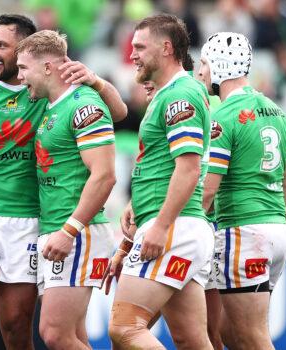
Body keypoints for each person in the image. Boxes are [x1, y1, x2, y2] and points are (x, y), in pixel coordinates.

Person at [0, 14, 127, 350]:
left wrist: (97, 81)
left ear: (26, 53)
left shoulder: (50, 96)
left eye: (2, 45)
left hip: (33, 222)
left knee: (21, 326)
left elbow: (116, 114)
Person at [109, 14, 214, 349]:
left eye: (140, 47)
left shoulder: (179, 96)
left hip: (173, 228)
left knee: (124, 329)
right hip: (178, 226)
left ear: (167, 48)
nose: (133, 54)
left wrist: (159, 226)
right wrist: (136, 207)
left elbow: (188, 168)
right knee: (191, 339)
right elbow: (162, 165)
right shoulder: (170, 94)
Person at [15, 29, 116, 349]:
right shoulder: (52, 107)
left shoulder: (83, 104)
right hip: (58, 229)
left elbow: (105, 175)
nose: (19, 78)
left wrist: (69, 230)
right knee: (73, 336)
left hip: (77, 233)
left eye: (23, 68)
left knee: (54, 334)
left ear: (48, 67)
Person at [200, 32, 286, 350]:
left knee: (252, 337)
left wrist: (175, 225)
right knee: (230, 333)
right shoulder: (279, 113)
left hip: (244, 231)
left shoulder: (222, 117)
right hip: (279, 231)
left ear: (219, 66)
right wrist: (273, 222)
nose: (201, 72)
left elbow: (209, 189)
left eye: (204, 64)